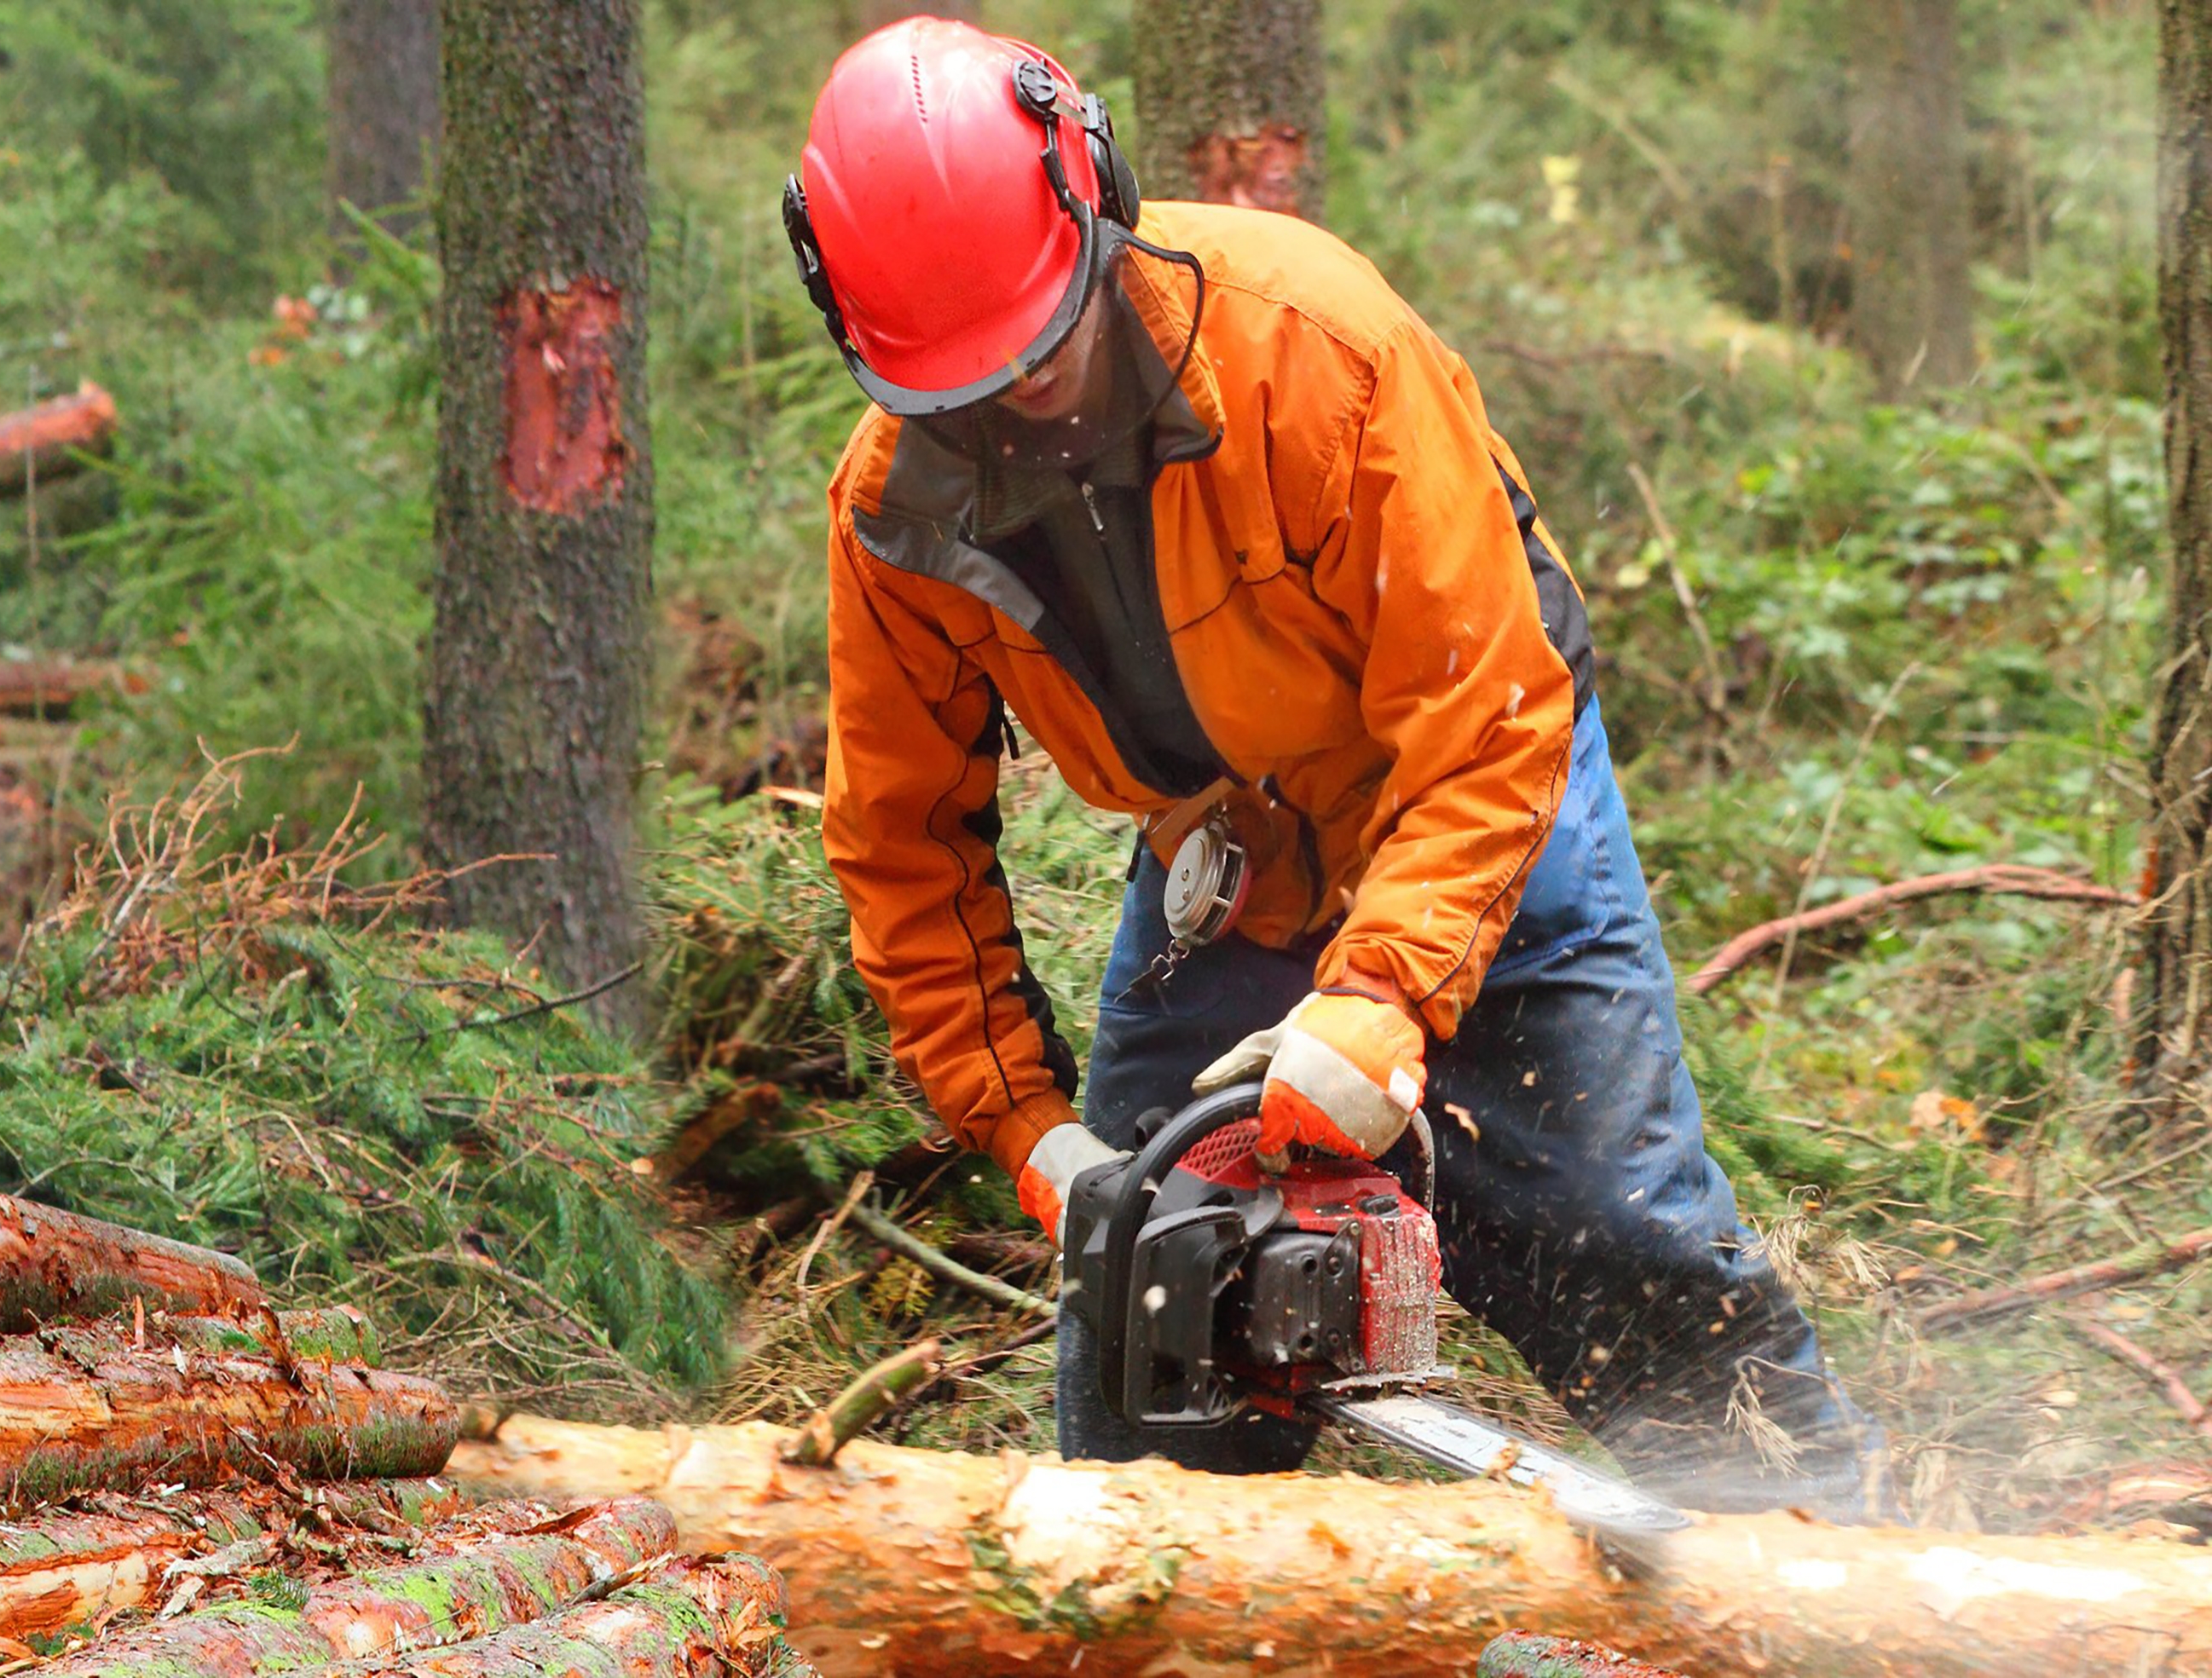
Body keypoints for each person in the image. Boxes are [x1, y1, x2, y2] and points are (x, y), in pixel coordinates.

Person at [789, 16, 1884, 1513]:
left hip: (1477, 792)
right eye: (960, 385)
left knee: (1619, 1233)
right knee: (1147, 1303)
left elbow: (1491, 709)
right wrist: (1034, 1133)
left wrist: (1376, 1004)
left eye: (1040, 351)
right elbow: (902, 845)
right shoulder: (894, 512)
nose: (1012, 403)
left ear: (1091, 189)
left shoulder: (1315, 350)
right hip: (1226, 861)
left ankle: (1836, 1564)